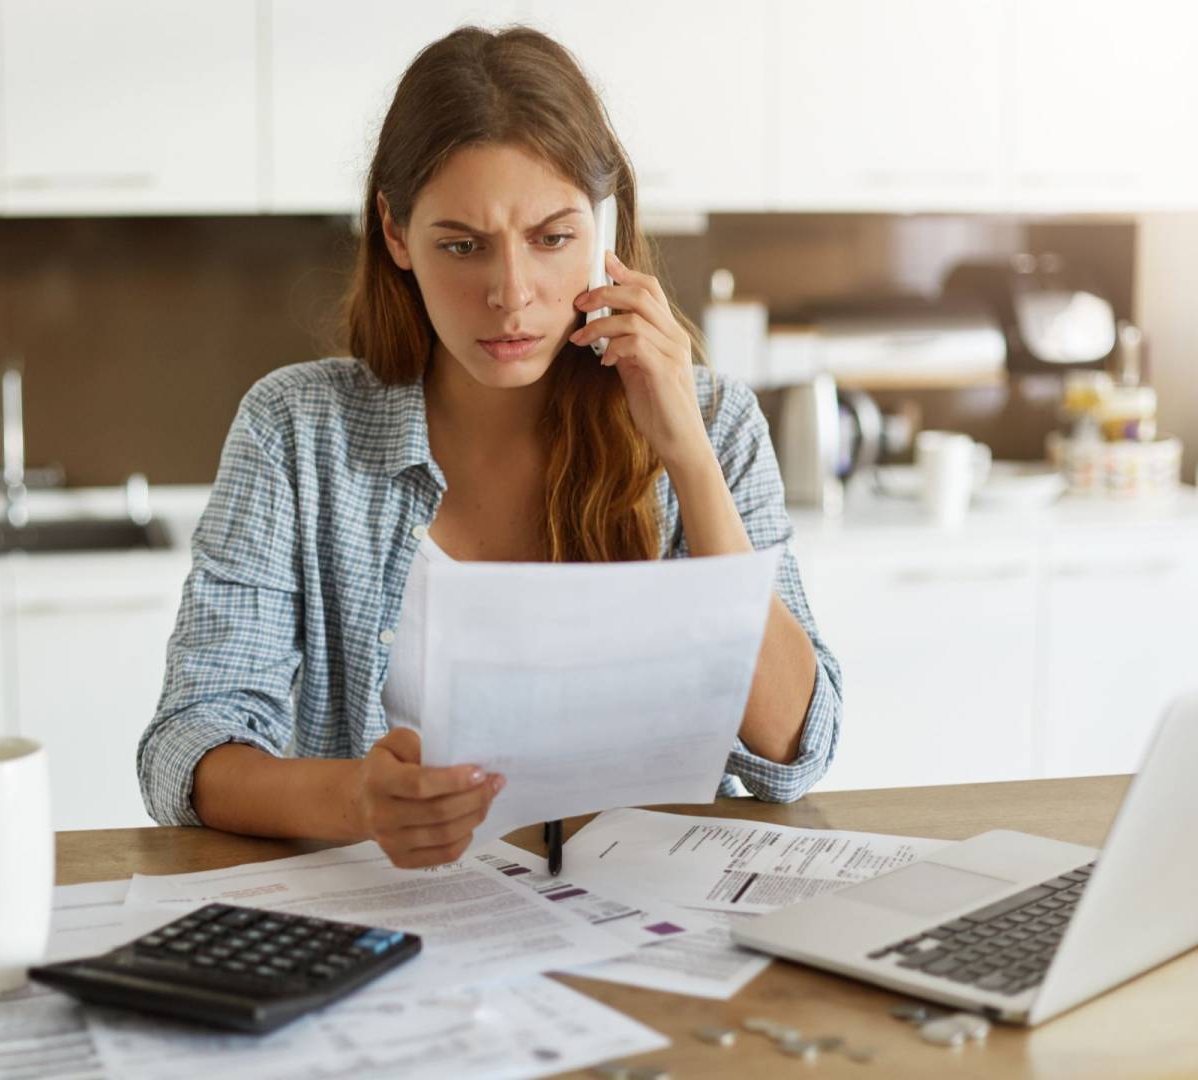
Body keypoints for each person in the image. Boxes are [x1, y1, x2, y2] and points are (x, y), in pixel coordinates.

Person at [138, 25, 842, 868]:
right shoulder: (296, 432)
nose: (511, 294)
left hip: (642, 924)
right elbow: (188, 742)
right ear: (396, 235)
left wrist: (686, 452)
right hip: (393, 926)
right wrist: (357, 799)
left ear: (604, 222)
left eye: (552, 238)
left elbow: (794, 751)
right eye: (462, 246)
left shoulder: (714, 423)